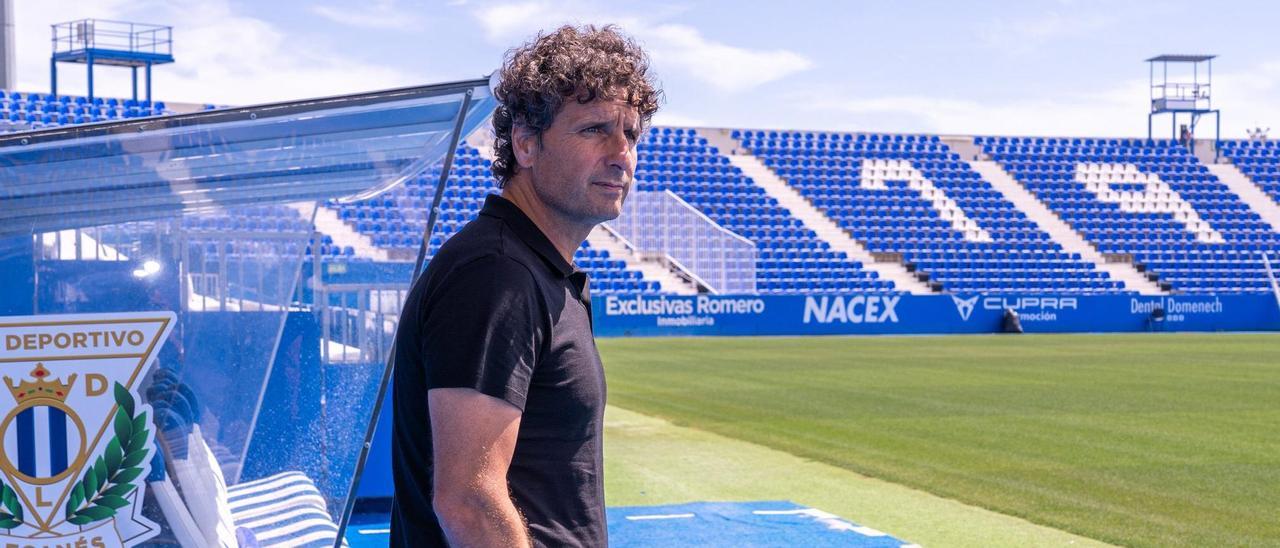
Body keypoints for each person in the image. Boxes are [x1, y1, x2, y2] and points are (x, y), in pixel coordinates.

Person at [390, 24, 661, 547]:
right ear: (526, 144)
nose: (621, 152)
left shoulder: (530, 267)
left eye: (630, 133)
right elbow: (468, 500)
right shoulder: (496, 275)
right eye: (594, 129)